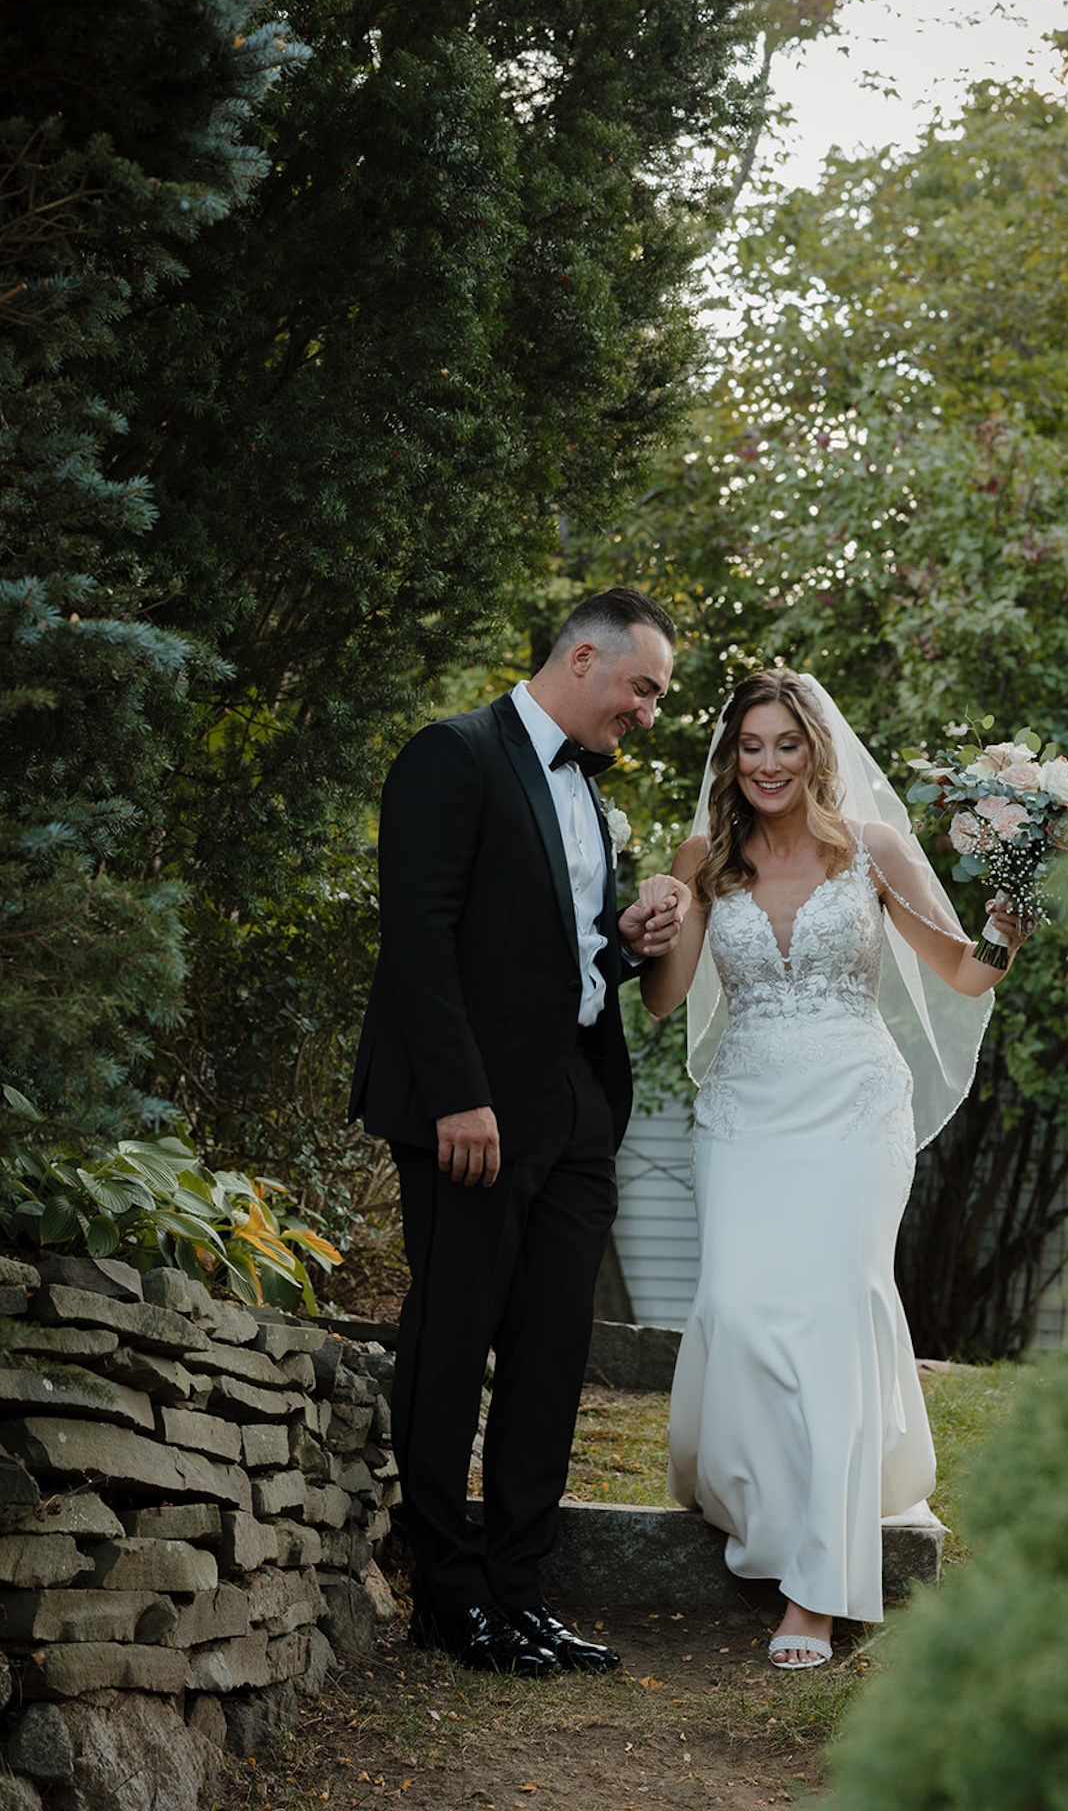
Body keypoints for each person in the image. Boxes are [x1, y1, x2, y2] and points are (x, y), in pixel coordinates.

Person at [641, 669, 1029, 1669]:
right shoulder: (703, 859)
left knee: (837, 1304)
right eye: (748, 746)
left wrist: (1005, 921)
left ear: (815, 749)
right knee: (732, 1303)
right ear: (727, 759)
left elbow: (962, 971)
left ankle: (815, 1590)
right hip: (744, 1109)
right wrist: (655, 918)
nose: (766, 763)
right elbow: (661, 1001)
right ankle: (759, 1496)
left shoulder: (871, 850)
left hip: (852, 1106)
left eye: (784, 743)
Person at [349, 588, 690, 1677]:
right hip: (473, 1116)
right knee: (451, 1347)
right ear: (582, 657)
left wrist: (626, 942)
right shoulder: (449, 756)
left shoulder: (589, 794)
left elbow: (557, 948)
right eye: (641, 689)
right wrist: (458, 1095)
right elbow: (420, 936)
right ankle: (448, 1599)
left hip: (576, 1109)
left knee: (549, 1357)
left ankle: (519, 1592)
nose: (645, 714)